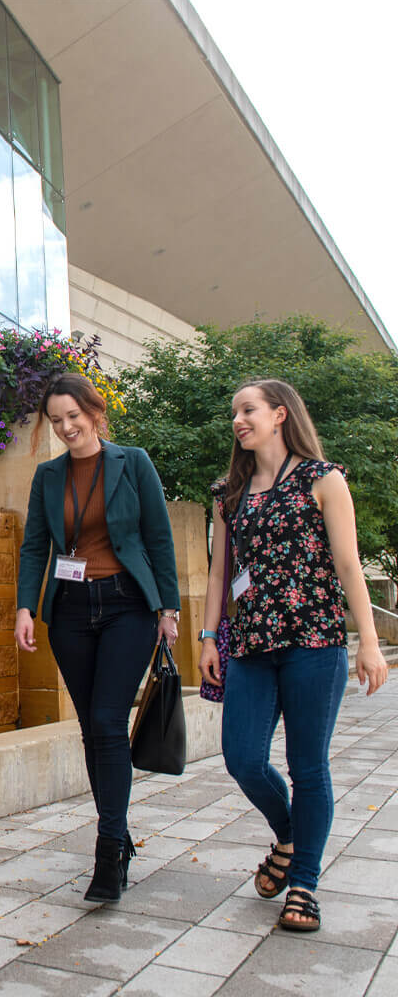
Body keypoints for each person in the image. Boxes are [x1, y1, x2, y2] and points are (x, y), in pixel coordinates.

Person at [199, 379, 387, 933]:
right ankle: (289, 837)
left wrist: (370, 642)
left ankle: (303, 883)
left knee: (308, 769)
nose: (238, 419)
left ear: (280, 415)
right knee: (242, 758)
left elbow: (349, 566)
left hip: (314, 643)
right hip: (252, 646)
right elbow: (217, 574)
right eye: (235, 411)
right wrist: (210, 638)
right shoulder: (229, 492)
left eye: (248, 409)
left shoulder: (323, 479)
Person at [15, 373, 180, 904]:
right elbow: (36, 545)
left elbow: (157, 536)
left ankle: (108, 849)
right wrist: (26, 605)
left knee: (110, 720)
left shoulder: (133, 462)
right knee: (93, 729)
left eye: (73, 417)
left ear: (94, 412)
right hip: (70, 612)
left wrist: (168, 607)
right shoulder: (47, 477)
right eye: (56, 420)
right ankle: (119, 833)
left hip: (127, 604)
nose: (66, 427)